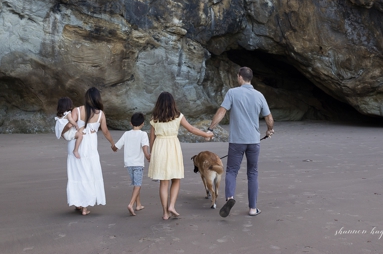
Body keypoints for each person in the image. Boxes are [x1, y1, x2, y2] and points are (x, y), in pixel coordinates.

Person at [207, 66, 274, 216]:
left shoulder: (232, 93)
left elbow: (222, 111)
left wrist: (211, 129)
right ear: (250, 78)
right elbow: (269, 118)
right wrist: (269, 130)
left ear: (240, 77)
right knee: (253, 173)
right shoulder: (259, 95)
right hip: (253, 141)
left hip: (237, 141)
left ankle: (230, 197)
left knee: (231, 171)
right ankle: (252, 208)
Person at [148, 92, 213, 220]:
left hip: (159, 148)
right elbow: (191, 129)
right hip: (173, 147)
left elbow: (152, 138)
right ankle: (171, 205)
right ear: (173, 103)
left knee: (163, 182)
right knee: (176, 179)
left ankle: (165, 213)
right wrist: (206, 135)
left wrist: (152, 154)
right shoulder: (178, 116)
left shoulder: (154, 118)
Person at [66, 87, 116, 215]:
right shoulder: (100, 114)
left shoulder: (77, 110)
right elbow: (105, 131)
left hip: (77, 142)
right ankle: (84, 207)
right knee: (89, 173)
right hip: (91, 145)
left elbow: (69, 125)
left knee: (77, 174)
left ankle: (78, 202)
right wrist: (112, 143)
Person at [115, 113, 151, 216]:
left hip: (128, 163)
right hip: (138, 163)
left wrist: (113, 147)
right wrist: (147, 156)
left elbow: (117, 146)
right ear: (143, 124)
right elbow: (144, 147)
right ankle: (131, 204)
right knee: (138, 184)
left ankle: (138, 204)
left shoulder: (126, 134)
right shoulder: (143, 134)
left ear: (131, 123)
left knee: (136, 184)